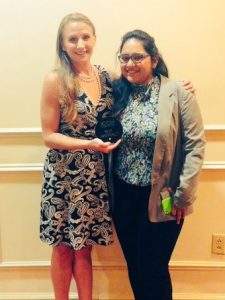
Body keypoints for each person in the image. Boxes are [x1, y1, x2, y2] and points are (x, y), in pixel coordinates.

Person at [111, 29, 206, 300]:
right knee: (136, 267)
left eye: (137, 57)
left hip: (165, 197)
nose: (130, 63)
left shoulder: (177, 92)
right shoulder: (118, 93)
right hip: (124, 196)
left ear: (154, 59)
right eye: (124, 57)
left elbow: (195, 145)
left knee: (153, 267)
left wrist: (183, 195)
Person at [39, 12, 120, 300]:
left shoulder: (108, 77)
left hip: (95, 175)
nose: (80, 44)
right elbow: (48, 136)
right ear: (62, 44)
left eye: (86, 37)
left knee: (85, 247)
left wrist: (179, 88)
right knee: (62, 246)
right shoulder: (55, 80)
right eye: (73, 39)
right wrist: (87, 145)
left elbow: (143, 83)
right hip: (63, 176)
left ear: (94, 38)